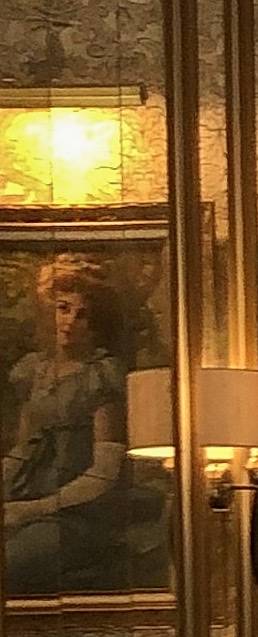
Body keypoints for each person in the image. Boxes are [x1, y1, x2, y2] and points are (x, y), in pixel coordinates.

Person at [3, 253, 132, 600]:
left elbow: (104, 472)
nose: (70, 321)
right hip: (26, 501)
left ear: (96, 323)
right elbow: (22, 449)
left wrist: (31, 510)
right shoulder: (34, 371)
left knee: (10, 562)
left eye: (82, 314)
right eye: (64, 308)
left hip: (78, 514)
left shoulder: (101, 375)